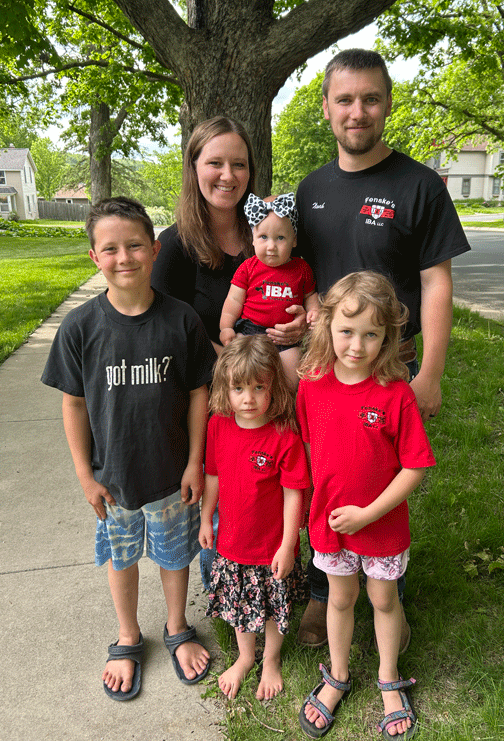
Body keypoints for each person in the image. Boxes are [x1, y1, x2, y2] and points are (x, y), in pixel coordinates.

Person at [292, 48, 471, 648]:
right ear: (326, 108)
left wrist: (431, 374)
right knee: (327, 470)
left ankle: (387, 589)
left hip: (393, 364)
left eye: (371, 98)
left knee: (384, 475)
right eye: (344, 99)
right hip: (326, 365)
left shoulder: (420, 186)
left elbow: (436, 281)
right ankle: (325, 591)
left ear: (388, 103)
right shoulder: (311, 189)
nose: (358, 111)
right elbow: (303, 274)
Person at [41, 197, 217, 700]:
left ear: (155, 250)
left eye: (135, 245)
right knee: (122, 560)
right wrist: (85, 475)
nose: (124, 257)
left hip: (171, 473)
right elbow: (74, 404)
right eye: (111, 248)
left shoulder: (182, 320)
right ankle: (127, 635)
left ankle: (177, 627)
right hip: (113, 478)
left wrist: (195, 462)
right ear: (94, 256)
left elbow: (199, 393)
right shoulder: (80, 328)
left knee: (174, 555)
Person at [151, 117, 306, 589]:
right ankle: (224, 579)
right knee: (228, 480)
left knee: (275, 478)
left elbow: (304, 287)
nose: (227, 175)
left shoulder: (270, 229)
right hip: (214, 392)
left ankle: (281, 570)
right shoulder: (175, 246)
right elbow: (163, 327)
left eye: (239, 164)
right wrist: (227, 353)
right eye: (214, 162)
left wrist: (303, 320)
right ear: (193, 167)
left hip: (272, 385)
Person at [296, 271, 436, 739]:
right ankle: (337, 675)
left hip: (381, 526)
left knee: (382, 598)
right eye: (347, 331)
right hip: (332, 523)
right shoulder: (312, 385)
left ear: (388, 336)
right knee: (340, 598)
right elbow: (313, 449)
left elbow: (414, 467)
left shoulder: (396, 394)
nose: (357, 345)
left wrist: (369, 514)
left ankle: (388, 678)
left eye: (371, 334)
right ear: (327, 326)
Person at [199, 335, 310, 701]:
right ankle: (246, 657)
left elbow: (294, 493)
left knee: (275, 608)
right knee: (238, 606)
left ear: (273, 387)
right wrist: (206, 518)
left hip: (271, 547)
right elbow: (212, 475)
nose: (248, 398)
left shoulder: (284, 436)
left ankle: (271, 660)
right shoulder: (218, 426)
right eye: (239, 388)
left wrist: (288, 545)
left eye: (258, 387)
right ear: (225, 389)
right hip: (232, 543)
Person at [219, 192, 320, 389]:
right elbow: (234, 300)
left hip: (286, 338)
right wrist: (226, 327)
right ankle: (244, 402)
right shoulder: (248, 267)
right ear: (253, 239)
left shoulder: (301, 268)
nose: (271, 246)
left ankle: (285, 402)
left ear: (294, 240)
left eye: (280, 238)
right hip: (250, 332)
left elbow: (310, 296)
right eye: (263, 237)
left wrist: (314, 312)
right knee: (238, 367)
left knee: (294, 371)